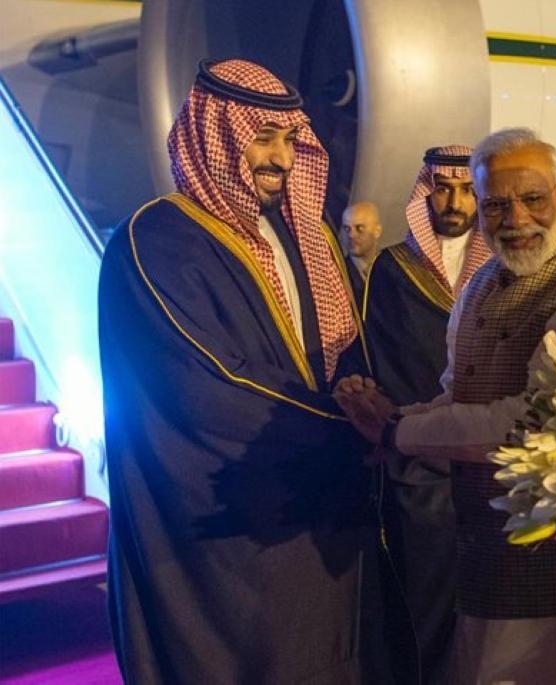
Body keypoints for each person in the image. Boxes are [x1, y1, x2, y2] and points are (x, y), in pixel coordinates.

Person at [340, 128, 556, 684]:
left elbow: (538, 420)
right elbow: (460, 394)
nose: (515, 217)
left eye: (533, 198)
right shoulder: (485, 281)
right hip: (492, 552)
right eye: (496, 204)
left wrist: (397, 433)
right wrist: (389, 425)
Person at [99, 59, 387, 683]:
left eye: (290, 139)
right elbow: (206, 389)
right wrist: (356, 430)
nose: (281, 158)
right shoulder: (156, 239)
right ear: (216, 134)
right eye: (262, 137)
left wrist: (365, 397)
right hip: (226, 530)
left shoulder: (305, 236)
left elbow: (344, 348)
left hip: (326, 507)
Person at [362, 145, 492, 684]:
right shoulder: (394, 268)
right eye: (443, 188)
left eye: (466, 189)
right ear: (426, 192)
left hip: (490, 463)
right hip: (420, 468)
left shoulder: (501, 266)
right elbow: (382, 360)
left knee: (487, 606)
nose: (455, 201)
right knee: (427, 601)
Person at [339, 201, 383, 301]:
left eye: (359, 228)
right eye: (347, 229)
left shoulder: (389, 270)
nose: (351, 235)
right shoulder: (339, 273)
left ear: (377, 231)